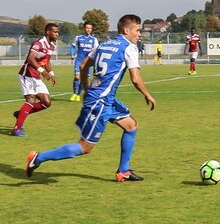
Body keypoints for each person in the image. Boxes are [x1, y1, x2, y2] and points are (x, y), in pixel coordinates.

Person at [26, 14, 156, 181]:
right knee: (84, 147)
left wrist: (87, 89)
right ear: (126, 30)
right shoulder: (129, 47)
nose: (139, 34)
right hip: (100, 102)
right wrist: (148, 95)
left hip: (104, 99)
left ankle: (124, 170)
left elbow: (83, 65)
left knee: (131, 126)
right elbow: (136, 79)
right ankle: (37, 158)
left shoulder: (104, 44)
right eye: (138, 30)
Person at [10, 23, 59, 137]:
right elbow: (30, 58)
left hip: (36, 76)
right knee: (31, 100)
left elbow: (46, 61)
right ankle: (16, 129)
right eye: (55, 32)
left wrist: (51, 73)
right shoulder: (39, 43)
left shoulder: (51, 46)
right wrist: (43, 72)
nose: (57, 34)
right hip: (27, 74)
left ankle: (20, 114)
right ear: (48, 32)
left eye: (57, 32)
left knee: (47, 103)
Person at [69, 22, 99, 102]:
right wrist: (72, 54)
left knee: (83, 79)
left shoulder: (94, 39)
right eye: (87, 28)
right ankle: (74, 93)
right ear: (84, 28)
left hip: (87, 62)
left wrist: (94, 52)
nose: (88, 29)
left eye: (90, 28)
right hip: (79, 60)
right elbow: (72, 46)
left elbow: (96, 50)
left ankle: (78, 94)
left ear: (91, 29)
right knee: (77, 77)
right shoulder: (78, 37)